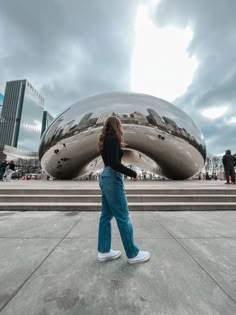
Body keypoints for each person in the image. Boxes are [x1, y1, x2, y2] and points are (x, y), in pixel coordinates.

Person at [97, 116, 150, 264]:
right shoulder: (113, 139)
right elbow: (114, 163)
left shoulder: (104, 140)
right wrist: (133, 173)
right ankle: (133, 254)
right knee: (123, 216)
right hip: (112, 178)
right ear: (117, 126)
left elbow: (110, 162)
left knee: (106, 216)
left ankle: (104, 251)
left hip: (104, 177)